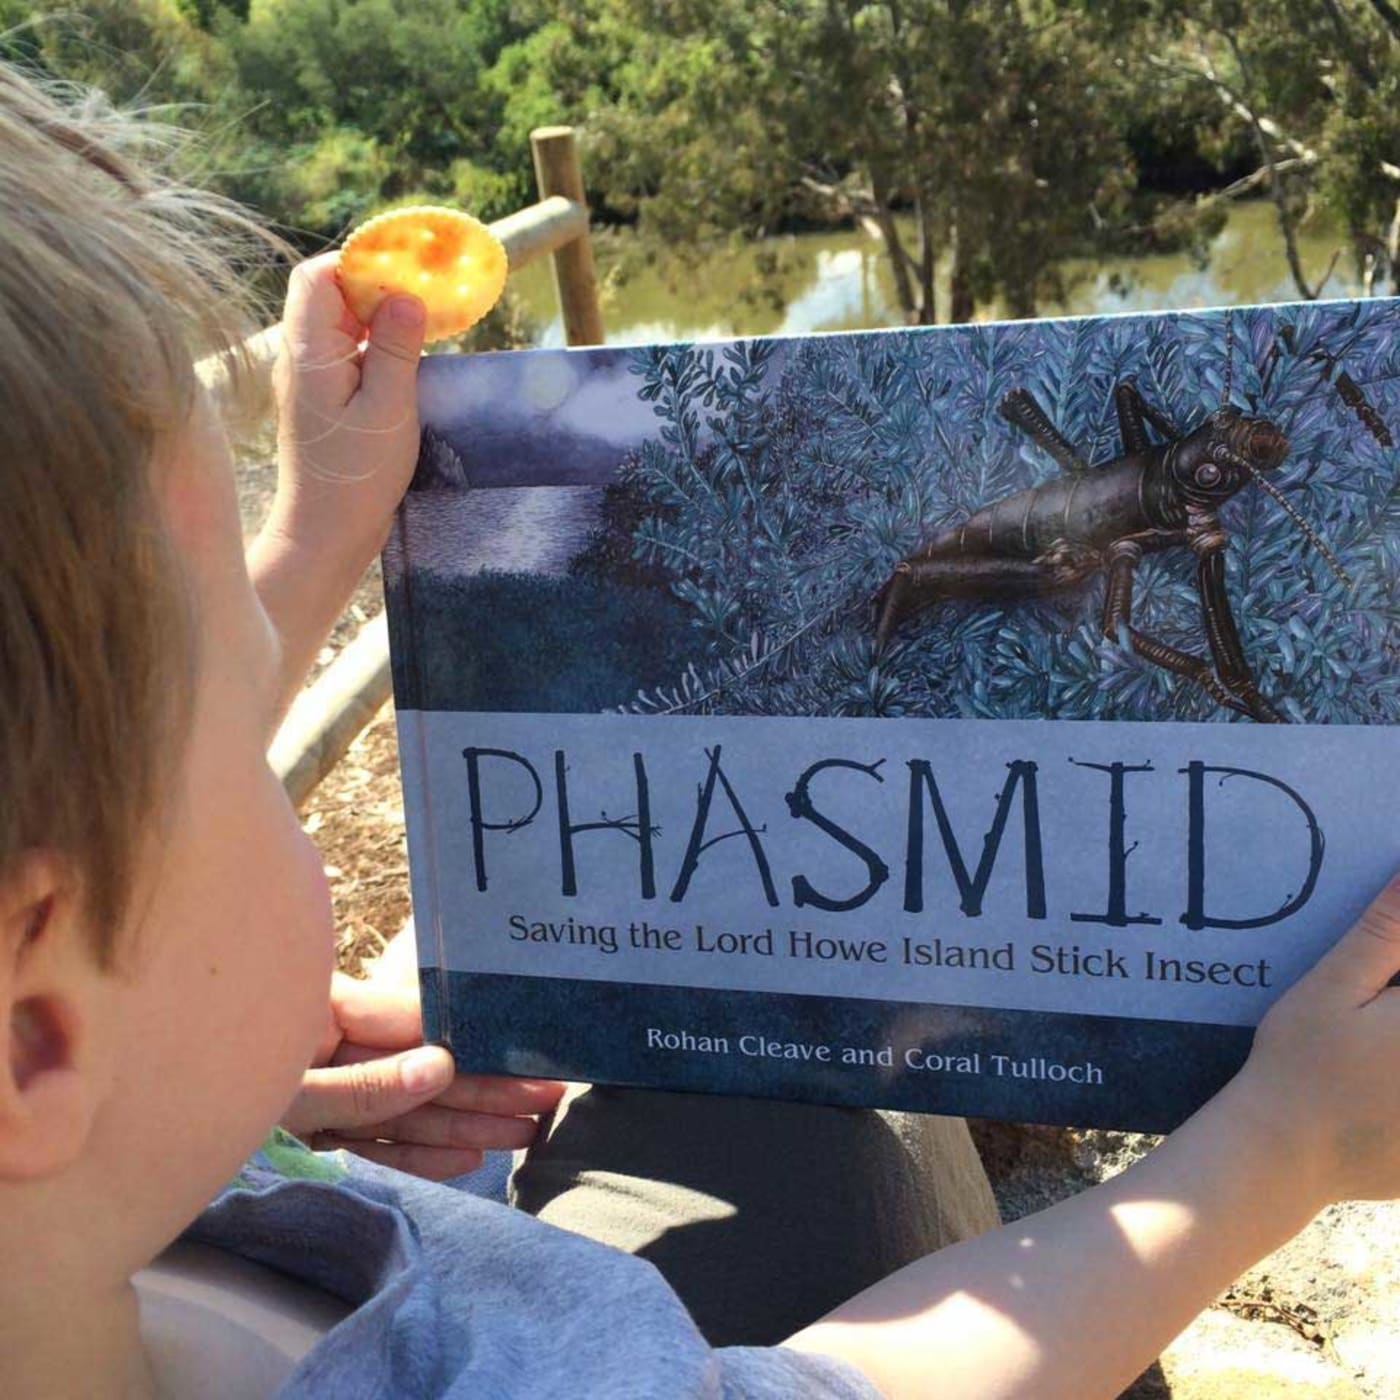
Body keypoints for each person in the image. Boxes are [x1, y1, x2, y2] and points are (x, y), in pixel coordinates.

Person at [1, 64, 1397, 1400]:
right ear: (38, 1042)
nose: (269, 715)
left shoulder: (122, 1210)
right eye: (248, 740)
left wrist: (317, 532)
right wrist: (1280, 1148)